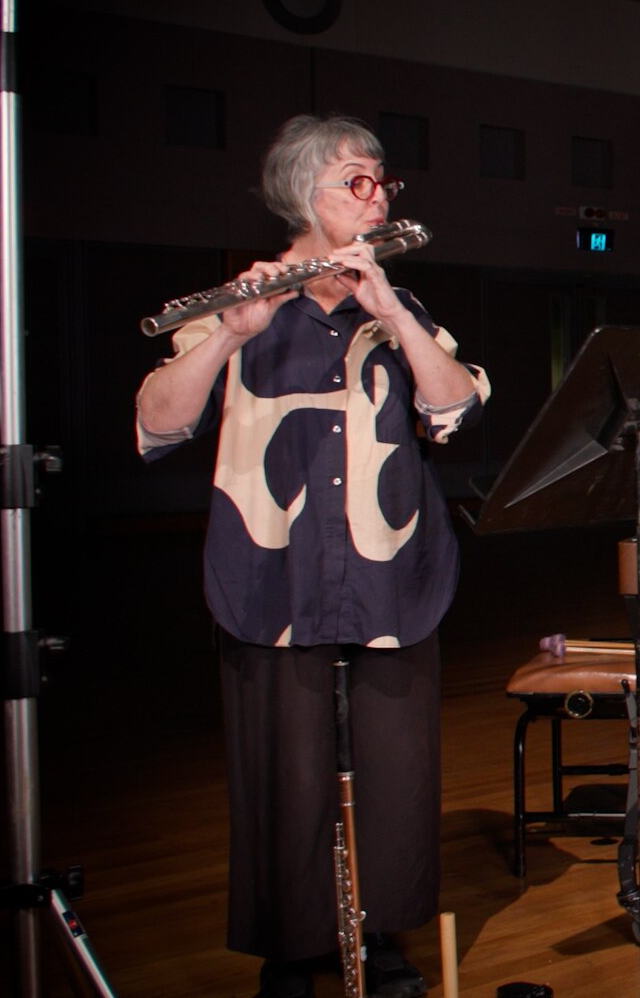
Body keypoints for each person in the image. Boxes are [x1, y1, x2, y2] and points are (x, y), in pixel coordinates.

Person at [136, 114, 488, 998]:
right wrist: (228, 333)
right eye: (356, 182)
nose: (377, 199)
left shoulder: (398, 307)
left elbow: (456, 411)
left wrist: (393, 315)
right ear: (304, 195)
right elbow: (158, 422)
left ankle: (382, 941)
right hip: (271, 575)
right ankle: (293, 958)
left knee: (397, 777)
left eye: (382, 183)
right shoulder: (242, 302)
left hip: (391, 573)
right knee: (283, 776)